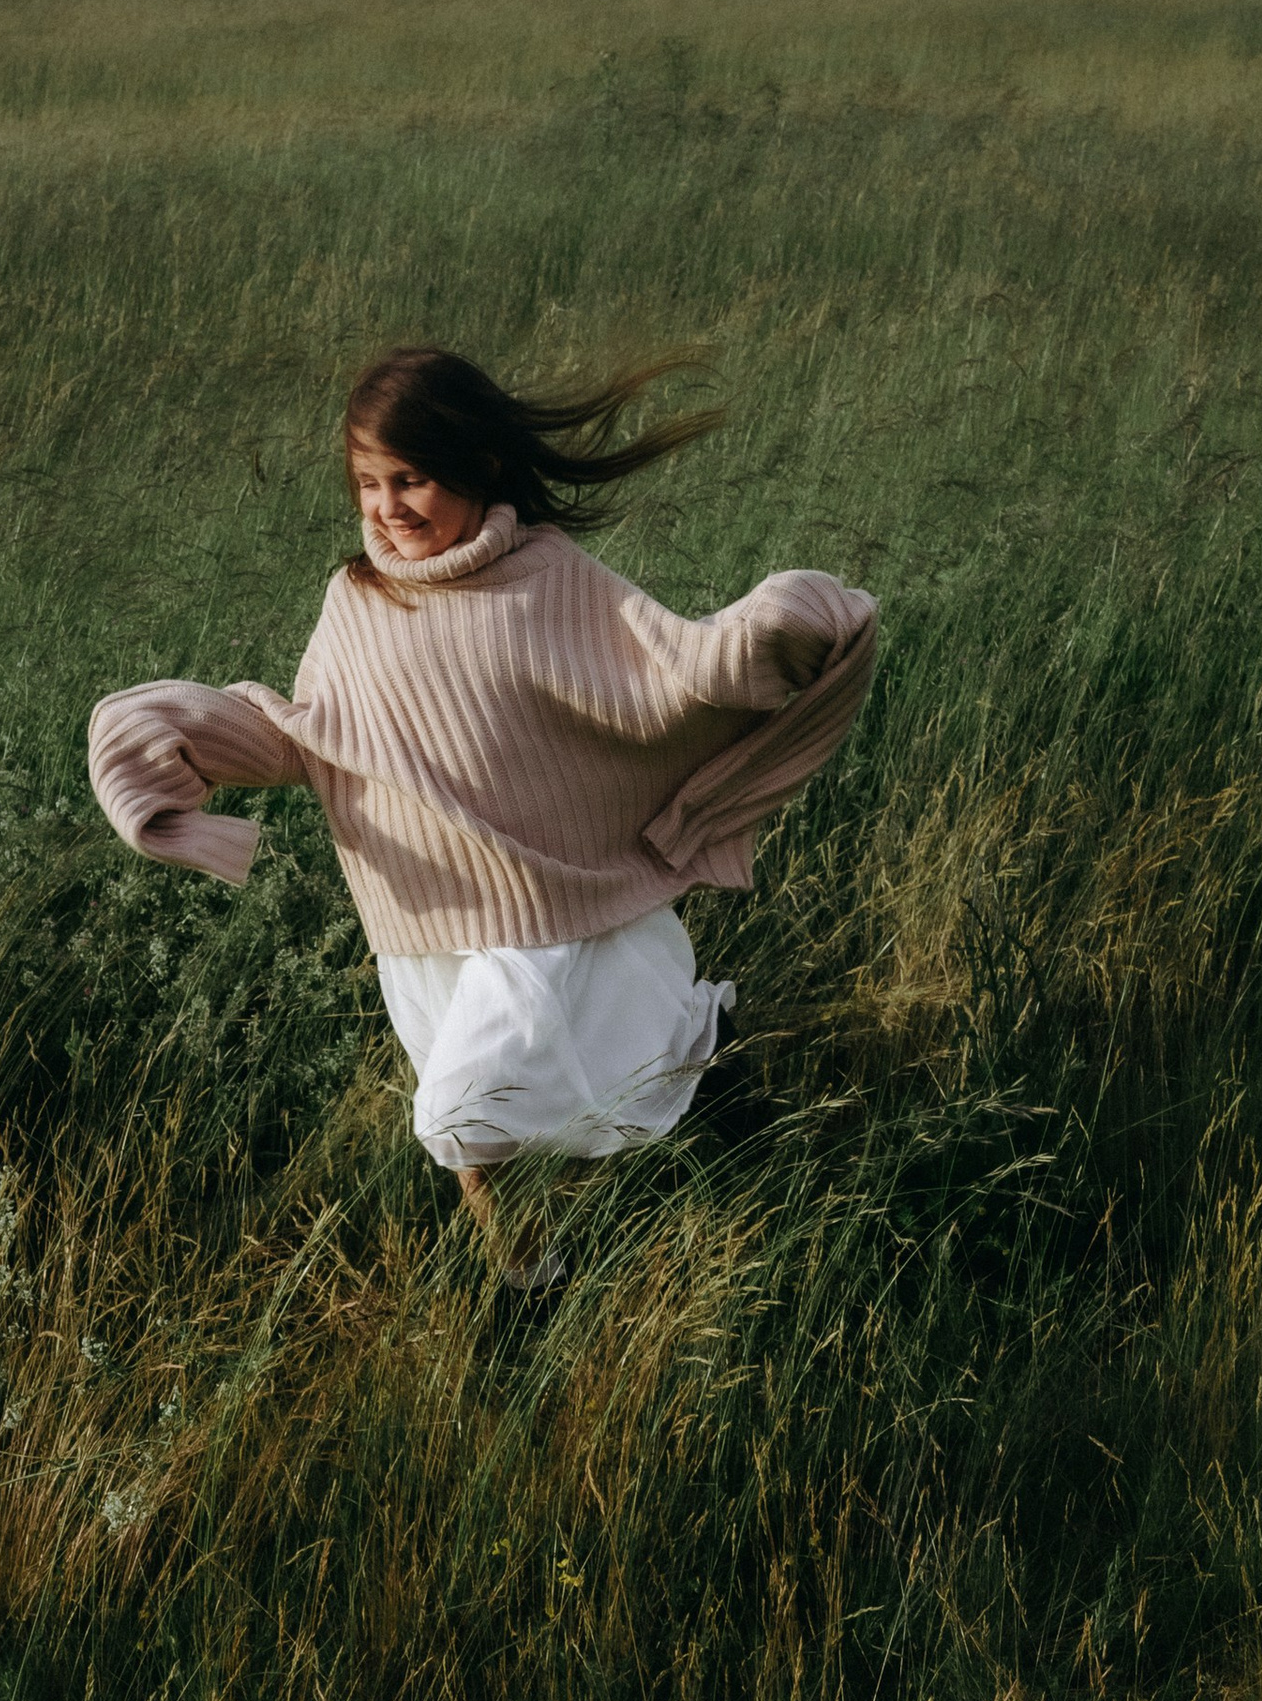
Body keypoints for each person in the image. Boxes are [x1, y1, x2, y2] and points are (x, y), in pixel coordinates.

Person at [89, 347, 876, 1284]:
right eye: (369, 484)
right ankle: (530, 1292)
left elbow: (667, 675)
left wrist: (782, 622)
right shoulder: (357, 601)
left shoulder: (550, 576)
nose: (388, 506)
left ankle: (697, 1083)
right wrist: (171, 732)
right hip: (420, 925)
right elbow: (317, 739)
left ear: (481, 466)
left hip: (543, 912)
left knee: (464, 1115)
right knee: (483, 1151)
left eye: (412, 478)